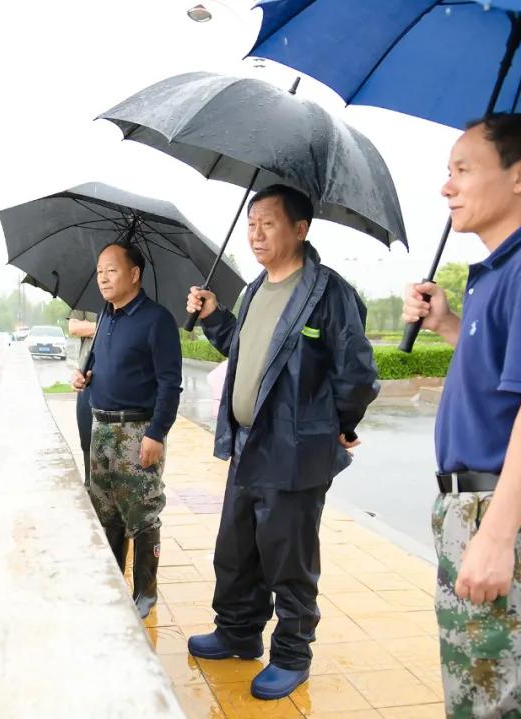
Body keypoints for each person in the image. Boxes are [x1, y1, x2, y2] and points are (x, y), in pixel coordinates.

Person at [401, 113, 521, 718]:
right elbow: (507, 376)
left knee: (501, 704)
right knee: (477, 699)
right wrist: (449, 325)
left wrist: (496, 535)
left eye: (463, 169)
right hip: (477, 512)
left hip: (508, 516)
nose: (446, 186)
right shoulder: (505, 271)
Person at [186, 184, 378, 700]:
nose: (256, 233)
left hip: (296, 452)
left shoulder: (328, 293)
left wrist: (341, 424)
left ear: (300, 229)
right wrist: (214, 318)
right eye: (251, 224)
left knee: (288, 559)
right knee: (237, 548)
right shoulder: (253, 291)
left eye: (268, 223)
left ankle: (292, 655)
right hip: (247, 445)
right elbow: (243, 351)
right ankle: (238, 631)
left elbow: (357, 372)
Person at [72, 241, 182, 618]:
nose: (102, 277)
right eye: (100, 270)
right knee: (107, 514)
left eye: (112, 269)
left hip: (137, 432)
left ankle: (145, 594)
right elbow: (103, 364)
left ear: (134, 274)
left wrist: (156, 433)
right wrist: (85, 376)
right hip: (101, 428)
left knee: (143, 515)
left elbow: (170, 384)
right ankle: (112, 585)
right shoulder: (106, 317)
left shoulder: (157, 320)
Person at [68, 309, 98, 485]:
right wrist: (105, 326)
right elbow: (74, 327)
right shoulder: (86, 298)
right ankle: (90, 484)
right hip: (86, 380)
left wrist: (90, 328)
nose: (103, 279)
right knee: (87, 439)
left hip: (116, 386)